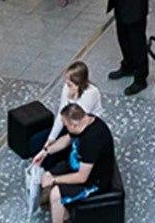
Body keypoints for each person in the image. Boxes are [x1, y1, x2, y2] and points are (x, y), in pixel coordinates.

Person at [27, 64, 103, 208]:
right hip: (70, 126)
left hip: (80, 131)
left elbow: (75, 124)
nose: (66, 87)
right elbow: (62, 116)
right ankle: (45, 178)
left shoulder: (90, 94)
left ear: (78, 84)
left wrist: (52, 147)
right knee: (37, 142)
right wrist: (50, 140)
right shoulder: (67, 89)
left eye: (70, 84)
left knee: (60, 153)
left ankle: (54, 185)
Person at [41, 101, 116, 223]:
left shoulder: (91, 141)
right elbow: (67, 139)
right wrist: (45, 151)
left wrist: (54, 180)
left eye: (66, 125)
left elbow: (82, 177)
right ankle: (64, 215)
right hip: (78, 162)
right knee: (46, 175)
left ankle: (60, 216)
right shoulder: (85, 119)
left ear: (74, 125)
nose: (65, 128)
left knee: (56, 194)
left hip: (95, 180)